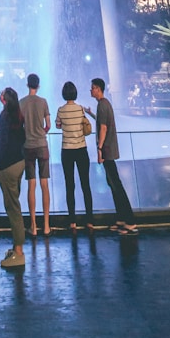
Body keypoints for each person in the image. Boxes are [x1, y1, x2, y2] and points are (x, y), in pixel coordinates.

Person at [89, 78, 137, 235]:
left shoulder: (102, 105)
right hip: (109, 149)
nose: (91, 90)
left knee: (116, 185)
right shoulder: (104, 104)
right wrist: (90, 114)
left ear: (98, 89)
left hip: (107, 150)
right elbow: (102, 122)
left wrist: (100, 148)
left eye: (93, 88)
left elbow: (103, 128)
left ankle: (130, 221)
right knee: (112, 183)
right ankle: (121, 219)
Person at [55, 80, 94, 231]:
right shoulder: (80, 109)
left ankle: (72, 221)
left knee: (69, 185)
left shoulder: (61, 110)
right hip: (81, 150)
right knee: (86, 184)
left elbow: (58, 125)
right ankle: (89, 220)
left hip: (67, 151)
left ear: (64, 94)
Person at [0, 86, 26, 270]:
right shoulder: (18, 114)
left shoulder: (4, 116)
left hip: (7, 166)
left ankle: (19, 252)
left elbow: (3, 143)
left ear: (5, 99)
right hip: (19, 163)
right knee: (15, 204)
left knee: (13, 208)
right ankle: (16, 246)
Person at [19, 72, 51, 236]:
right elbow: (49, 125)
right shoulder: (43, 102)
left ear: (27, 85)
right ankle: (46, 225)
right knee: (44, 185)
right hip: (42, 145)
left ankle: (33, 226)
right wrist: (42, 132)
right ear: (38, 86)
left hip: (28, 146)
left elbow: (19, 125)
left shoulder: (22, 103)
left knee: (31, 185)